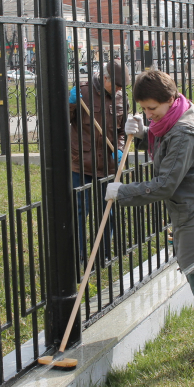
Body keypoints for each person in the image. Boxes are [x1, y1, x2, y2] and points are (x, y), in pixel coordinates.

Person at [104, 70, 194, 367]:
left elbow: (165, 184)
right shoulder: (176, 118)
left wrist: (123, 191)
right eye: (144, 109)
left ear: (171, 99)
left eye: (152, 109)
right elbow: (167, 149)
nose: (148, 115)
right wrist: (143, 134)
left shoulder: (184, 131)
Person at [69, 60, 128, 263]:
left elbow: (122, 131)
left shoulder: (121, 98)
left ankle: (103, 253)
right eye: (117, 85)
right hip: (81, 163)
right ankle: (78, 254)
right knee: (80, 209)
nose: (119, 89)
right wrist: (70, 103)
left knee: (107, 210)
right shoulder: (83, 92)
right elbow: (62, 119)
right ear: (104, 78)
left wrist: (120, 149)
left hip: (108, 165)